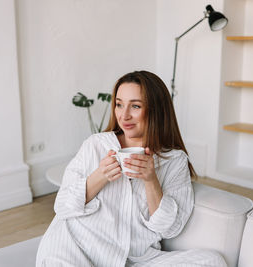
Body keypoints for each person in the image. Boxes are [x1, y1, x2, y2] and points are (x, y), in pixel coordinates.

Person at [36, 71, 227, 266]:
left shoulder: (174, 160)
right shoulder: (95, 145)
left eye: (135, 106)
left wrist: (151, 180)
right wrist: (99, 176)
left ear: (156, 110)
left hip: (135, 259)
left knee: (212, 261)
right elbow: (62, 206)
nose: (124, 115)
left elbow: (170, 229)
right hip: (77, 248)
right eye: (119, 104)